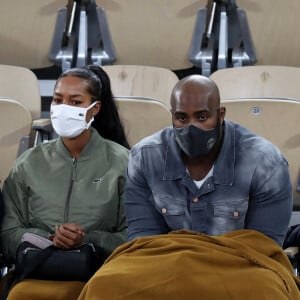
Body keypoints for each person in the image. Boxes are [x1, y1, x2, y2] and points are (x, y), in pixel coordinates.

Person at [124, 74, 292, 246]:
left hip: (239, 266)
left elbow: (264, 248)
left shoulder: (265, 164)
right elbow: (143, 241)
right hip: (169, 264)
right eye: (182, 118)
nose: (192, 127)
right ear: (172, 116)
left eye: (202, 117)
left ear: (220, 115)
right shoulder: (145, 158)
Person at [0, 65, 129, 263]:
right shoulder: (28, 163)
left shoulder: (123, 162)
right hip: (38, 270)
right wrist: (49, 239)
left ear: (95, 108)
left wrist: (88, 240)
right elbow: (8, 232)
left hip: (102, 273)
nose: (64, 108)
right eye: (58, 100)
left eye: (75, 102)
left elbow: (135, 235)